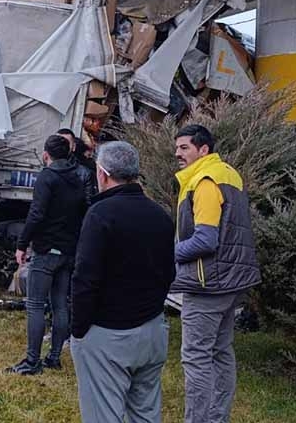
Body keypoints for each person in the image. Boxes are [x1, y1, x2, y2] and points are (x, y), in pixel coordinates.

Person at [70, 141, 175, 422]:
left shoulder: (100, 214)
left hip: (108, 333)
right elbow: (169, 273)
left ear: (102, 174)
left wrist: (79, 330)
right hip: (152, 329)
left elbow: (85, 277)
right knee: (145, 414)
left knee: (103, 415)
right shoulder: (161, 215)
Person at [172, 124, 261, 423]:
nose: (178, 153)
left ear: (204, 150)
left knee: (196, 358)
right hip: (232, 282)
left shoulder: (205, 181)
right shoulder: (229, 174)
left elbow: (205, 241)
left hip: (207, 284)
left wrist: (165, 255)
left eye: (184, 147)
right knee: (222, 351)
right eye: (177, 147)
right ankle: (217, 418)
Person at [9, 135, 87, 375]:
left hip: (47, 249)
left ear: (46, 155)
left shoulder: (47, 176)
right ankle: (54, 357)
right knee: (60, 304)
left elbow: (36, 213)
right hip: (69, 249)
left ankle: (32, 361)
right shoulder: (78, 176)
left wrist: (22, 244)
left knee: (34, 304)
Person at [57, 127, 97, 199]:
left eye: (66, 143)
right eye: (57, 142)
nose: (61, 147)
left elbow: (88, 200)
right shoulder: (47, 168)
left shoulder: (84, 173)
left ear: (74, 147)